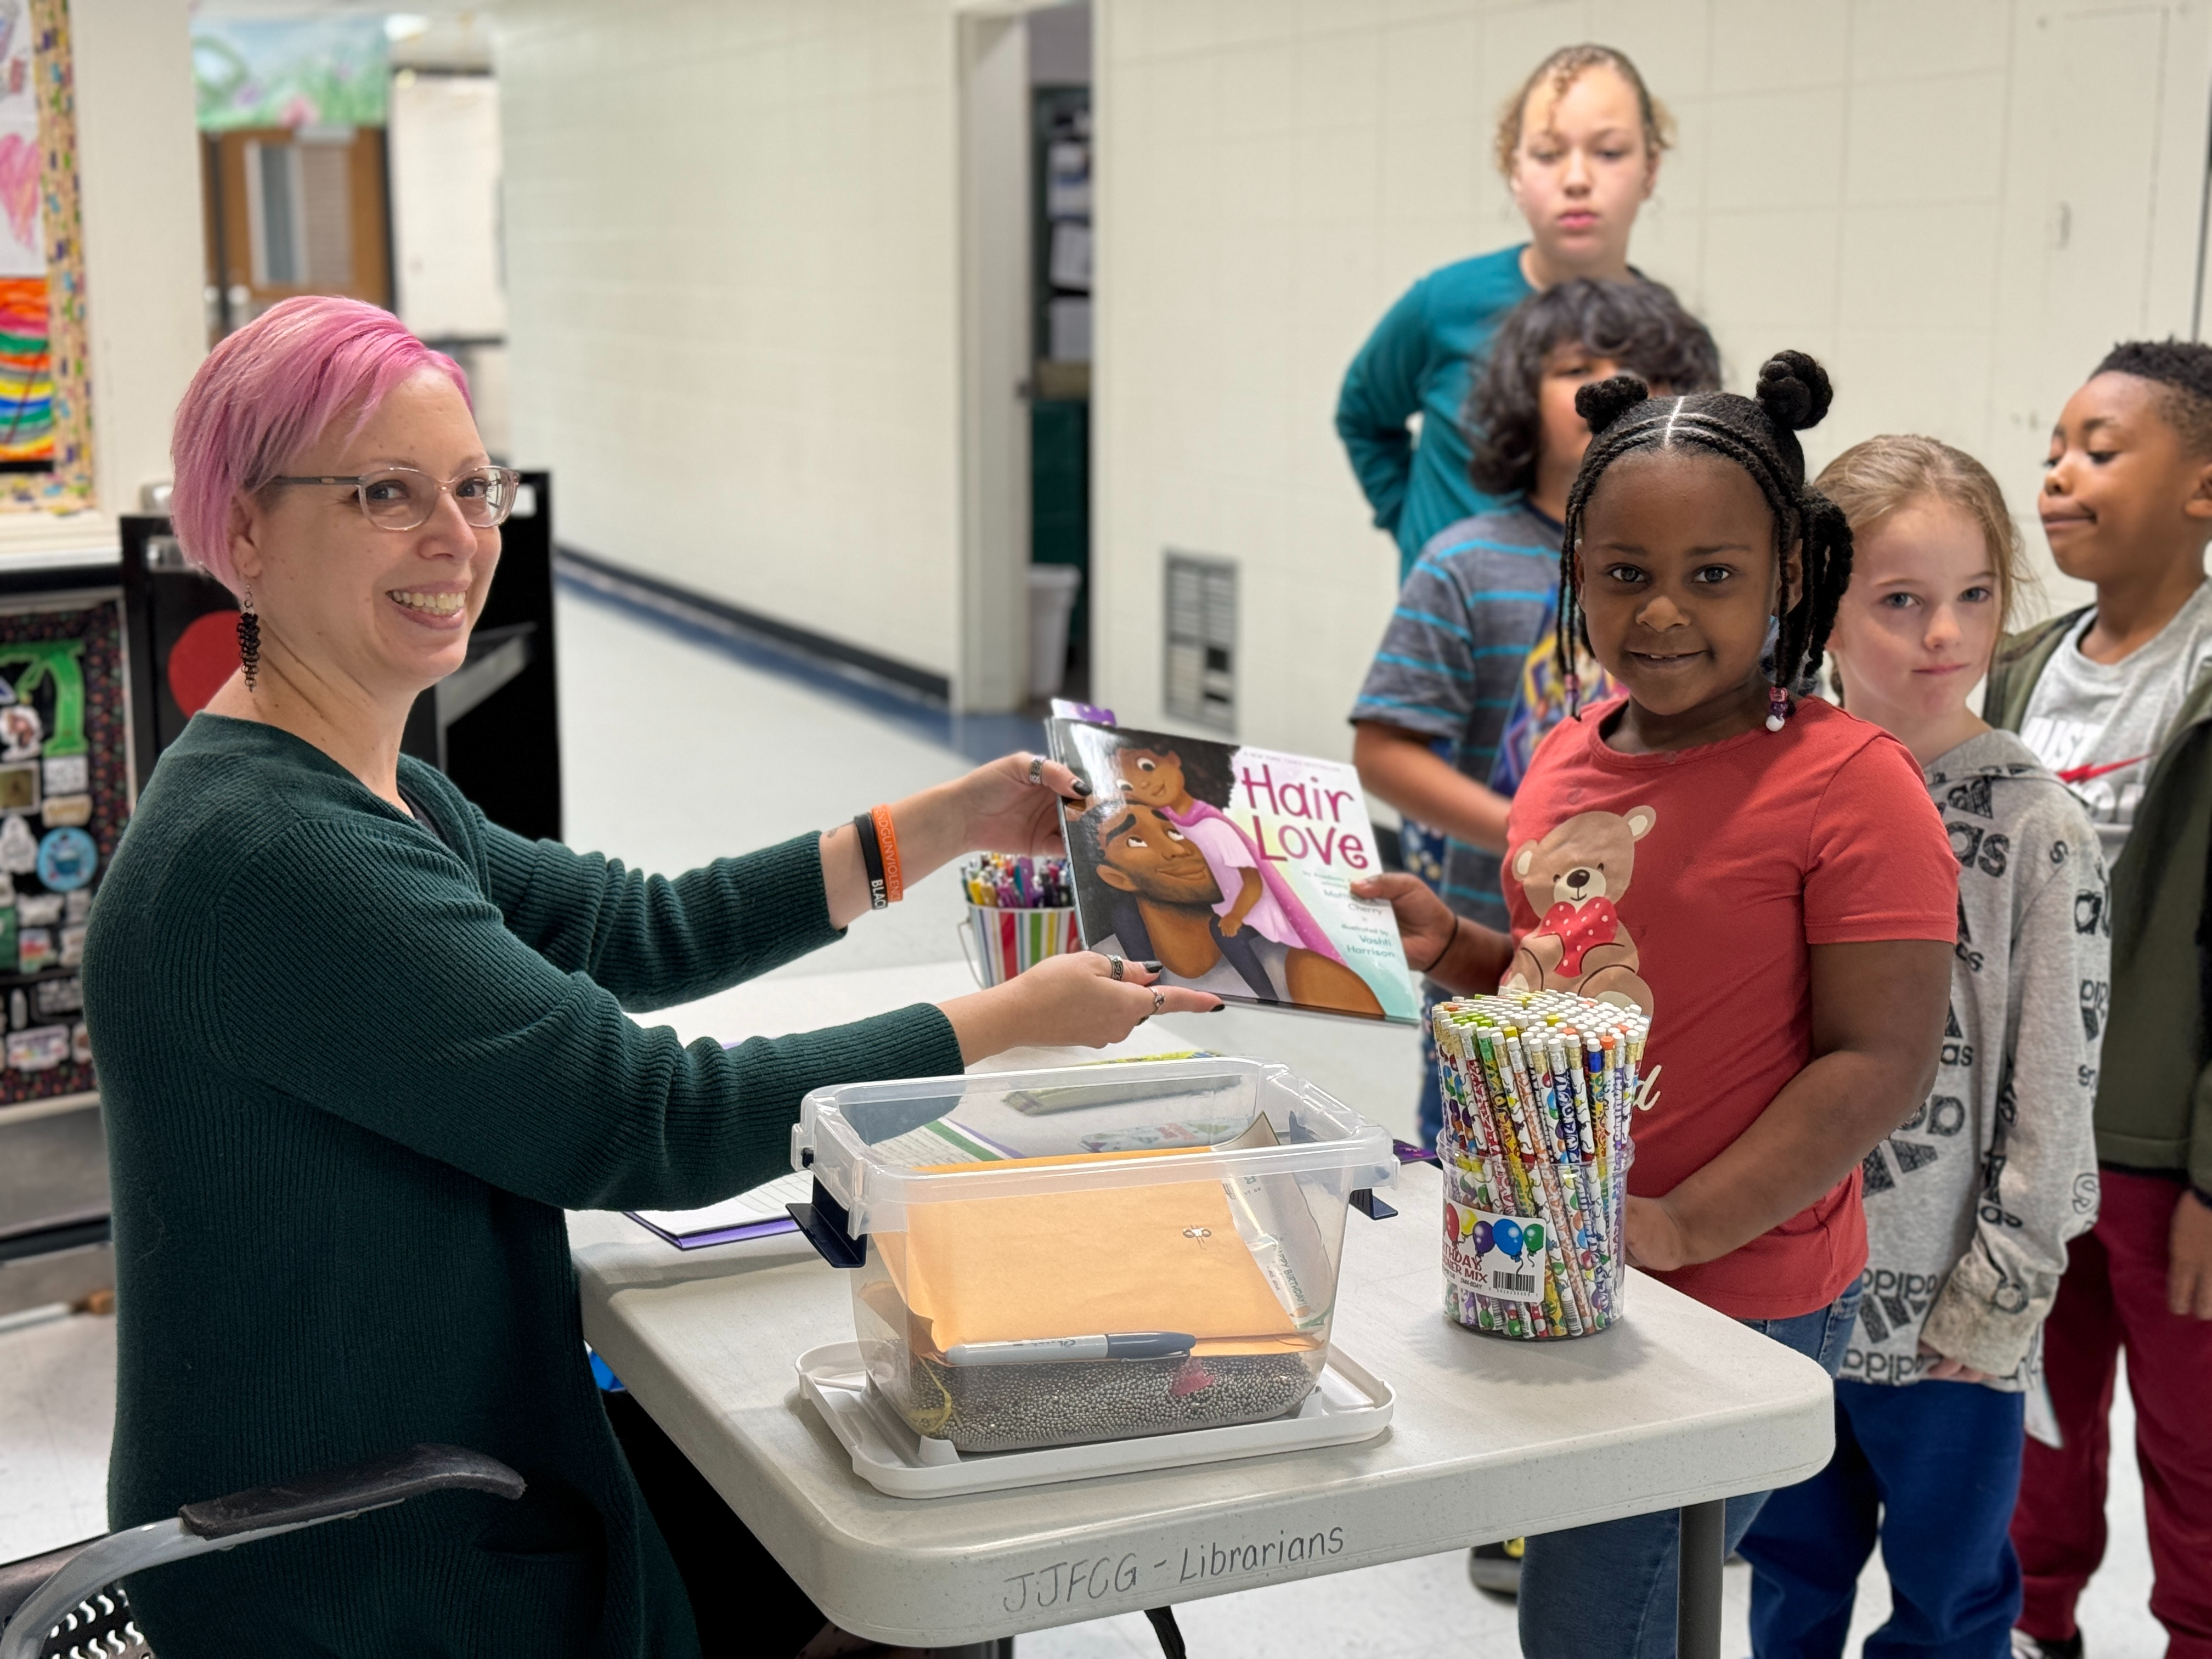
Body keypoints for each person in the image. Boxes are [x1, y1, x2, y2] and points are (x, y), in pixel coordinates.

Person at [83, 296, 1222, 1659]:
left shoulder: (350, 786)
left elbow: (634, 929)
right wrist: (1004, 1022)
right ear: (248, 530)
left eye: (470, 487)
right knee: (931, 1566)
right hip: (360, 1563)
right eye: (386, 495)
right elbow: (643, 1119)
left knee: (870, 1481)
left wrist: (941, 827)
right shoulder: (275, 857)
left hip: (433, 1456)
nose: (455, 539)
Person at [1351, 354, 1960, 1658]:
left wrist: (1686, 1224)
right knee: (1587, 1609)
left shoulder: (1854, 785)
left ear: (1793, 575)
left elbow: (1882, 1060)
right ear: (1579, 570)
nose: (1664, 611)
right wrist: (1454, 941)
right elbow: (1560, 975)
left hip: (1741, 1281)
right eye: (1625, 572)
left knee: (1600, 1626)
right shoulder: (1570, 750)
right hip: (1570, 1257)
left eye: (1714, 575)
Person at [1734, 436, 2106, 1658]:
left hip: (1950, 1313)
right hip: (1789, 1292)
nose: (1945, 634)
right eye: (1902, 601)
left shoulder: (2039, 825)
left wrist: (2000, 1290)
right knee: (1788, 1570)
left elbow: (2057, 1086)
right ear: (1823, 609)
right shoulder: (1779, 786)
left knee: (1952, 1602)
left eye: (1976, 596)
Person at [1350, 275, 1719, 1147]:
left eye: (1643, 368)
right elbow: (1384, 751)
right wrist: (1530, 831)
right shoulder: (1467, 563)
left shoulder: (1711, 577)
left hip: (1657, 976)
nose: (1608, 386)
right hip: (1494, 968)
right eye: (1576, 368)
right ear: (1520, 397)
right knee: (1481, 1186)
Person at [1985, 340, 2212, 1659]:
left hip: (2159, 1157)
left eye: (2102, 449)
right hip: (2028, 1138)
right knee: (2037, 1426)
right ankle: (2040, 1629)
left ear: (2202, 484)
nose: (2061, 476)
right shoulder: (2017, 670)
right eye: (2055, 451)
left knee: (2192, 1447)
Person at [1335, 44, 1675, 579]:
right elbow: (1363, 418)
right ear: (1514, 171)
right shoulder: (1443, 304)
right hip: (1456, 632)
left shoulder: (1668, 333)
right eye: (1547, 153)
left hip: (1596, 640)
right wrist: (1418, 532)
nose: (1577, 178)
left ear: (1650, 170)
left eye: (1609, 152)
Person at [1075, 798, 1385, 1017]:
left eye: (1174, 831)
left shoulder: (1291, 960)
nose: (1176, 849)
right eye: (1135, 841)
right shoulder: (1107, 963)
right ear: (1116, 877)